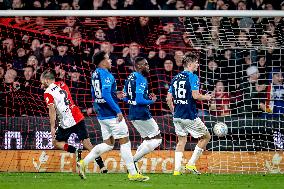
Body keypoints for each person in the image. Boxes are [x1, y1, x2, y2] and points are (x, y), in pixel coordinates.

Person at [77, 51, 149, 181]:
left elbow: (94, 92)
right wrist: (117, 110)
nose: (110, 61)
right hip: (112, 115)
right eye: (108, 58)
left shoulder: (95, 74)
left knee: (109, 144)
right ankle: (133, 173)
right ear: (102, 61)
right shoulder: (107, 75)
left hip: (102, 115)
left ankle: (83, 163)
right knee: (125, 142)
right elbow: (104, 94)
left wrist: (114, 95)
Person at [40, 69, 108, 175]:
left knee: (56, 142)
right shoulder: (62, 83)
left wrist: (52, 127)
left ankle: (75, 150)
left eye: (42, 81)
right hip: (77, 116)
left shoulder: (47, 93)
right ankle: (102, 166)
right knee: (88, 144)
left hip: (66, 122)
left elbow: (52, 109)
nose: (41, 83)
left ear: (47, 80)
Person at [166, 52, 212, 176]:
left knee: (181, 141)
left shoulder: (175, 78)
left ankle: (176, 171)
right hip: (189, 115)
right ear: (190, 63)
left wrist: (173, 111)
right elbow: (195, 95)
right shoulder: (193, 77)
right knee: (206, 137)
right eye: (196, 62)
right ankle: (191, 164)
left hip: (177, 116)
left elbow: (168, 98)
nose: (197, 64)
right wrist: (206, 97)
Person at [123, 57, 162, 166]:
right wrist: (151, 101)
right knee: (158, 139)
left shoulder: (130, 77)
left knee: (147, 139)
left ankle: (133, 164)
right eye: (146, 64)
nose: (148, 67)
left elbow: (125, 98)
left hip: (132, 113)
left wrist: (141, 99)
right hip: (142, 113)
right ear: (139, 66)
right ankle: (133, 161)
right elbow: (139, 100)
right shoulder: (141, 79)